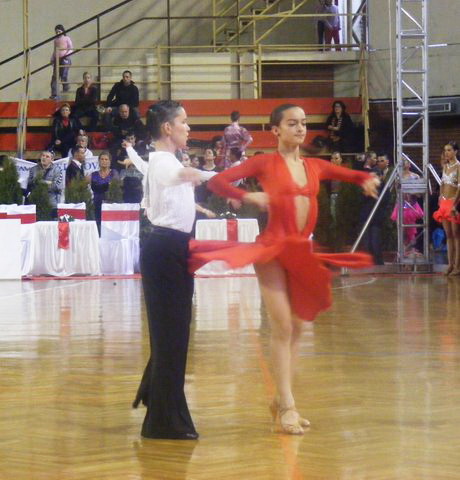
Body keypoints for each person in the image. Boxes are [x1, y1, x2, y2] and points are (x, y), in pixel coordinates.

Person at [189, 103, 379, 435]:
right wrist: (248, 197)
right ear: (276, 130)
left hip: (301, 252)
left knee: (299, 327)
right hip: (273, 250)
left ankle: (280, 399)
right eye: (292, 123)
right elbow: (218, 182)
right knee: (283, 327)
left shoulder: (314, 165)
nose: (300, 128)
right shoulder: (264, 162)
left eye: (303, 123)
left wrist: (365, 178)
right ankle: (288, 406)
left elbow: (350, 174)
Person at [124, 100, 216, 440]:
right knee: (171, 336)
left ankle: (158, 399)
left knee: (173, 335)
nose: (188, 128)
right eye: (183, 122)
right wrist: (197, 175)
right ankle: (163, 422)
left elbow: (171, 180)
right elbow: (169, 175)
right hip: (164, 251)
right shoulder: (163, 161)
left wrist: (199, 181)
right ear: (167, 128)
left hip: (173, 249)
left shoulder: (167, 159)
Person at [433, 141, 460, 275]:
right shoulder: (445, 166)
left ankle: (457, 266)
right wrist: (440, 197)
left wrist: (455, 204)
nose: (446, 153)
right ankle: (450, 264)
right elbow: (443, 184)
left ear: (456, 151)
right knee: (448, 235)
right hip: (444, 202)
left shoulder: (458, 166)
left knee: (456, 235)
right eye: (445, 150)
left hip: (453, 203)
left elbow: (459, 187)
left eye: (449, 150)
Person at [25, 151, 63, 219]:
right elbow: (30, 184)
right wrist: (48, 183)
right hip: (36, 203)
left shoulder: (57, 170)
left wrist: (40, 182)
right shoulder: (33, 169)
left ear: (52, 159)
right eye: (43, 155)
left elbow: (57, 186)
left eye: (47, 156)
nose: (44, 158)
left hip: (51, 204)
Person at [90, 152, 120, 235]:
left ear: (110, 161)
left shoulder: (114, 173)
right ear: (99, 161)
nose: (104, 161)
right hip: (97, 205)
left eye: (106, 159)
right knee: (98, 230)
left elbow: (116, 187)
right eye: (102, 159)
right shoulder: (93, 174)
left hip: (110, 205)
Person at [50, 24, 73, 99]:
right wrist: (52, 58)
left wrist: (66, 55)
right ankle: (54, 94)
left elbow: (70, 48)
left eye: (59, 31)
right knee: (55, 76)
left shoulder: (66, 38)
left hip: (65, 59)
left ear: (63, 31)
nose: (58, 33)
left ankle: (66, 90)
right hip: (57, 59)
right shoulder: (55, 40)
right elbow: (54, 50)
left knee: (64, 75)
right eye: (56, 32)